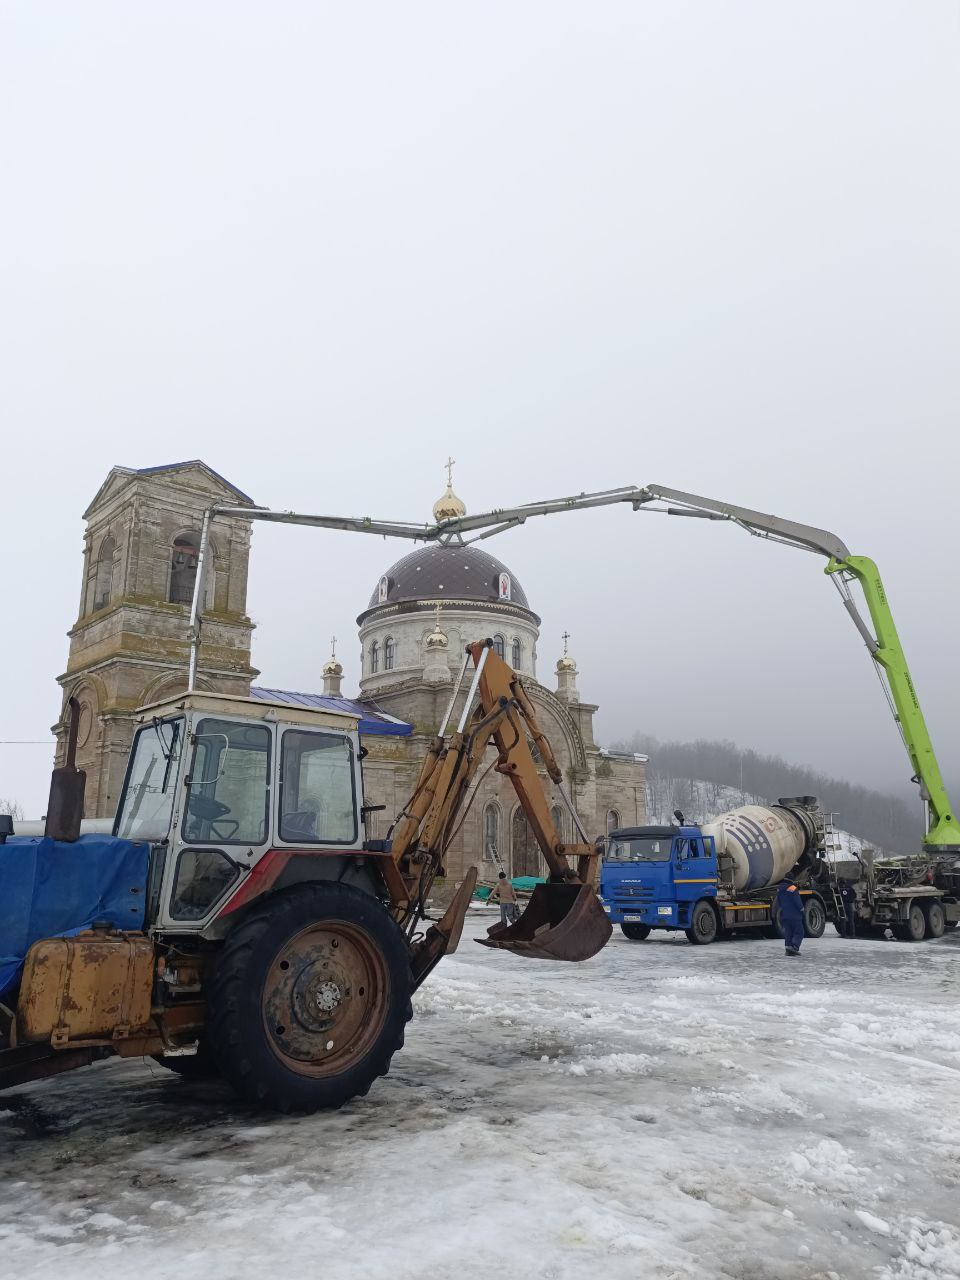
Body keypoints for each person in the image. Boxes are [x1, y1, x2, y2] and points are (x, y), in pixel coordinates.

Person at [775, 876, 805, 956]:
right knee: (799, 932)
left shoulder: (779, 889)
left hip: (785, 914)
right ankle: (795, 947)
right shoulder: (792, 887)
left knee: (788, 931)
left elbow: (779, 901)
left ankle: (788, 947)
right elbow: (797, 900)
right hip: (794, 915)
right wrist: (802, 908)